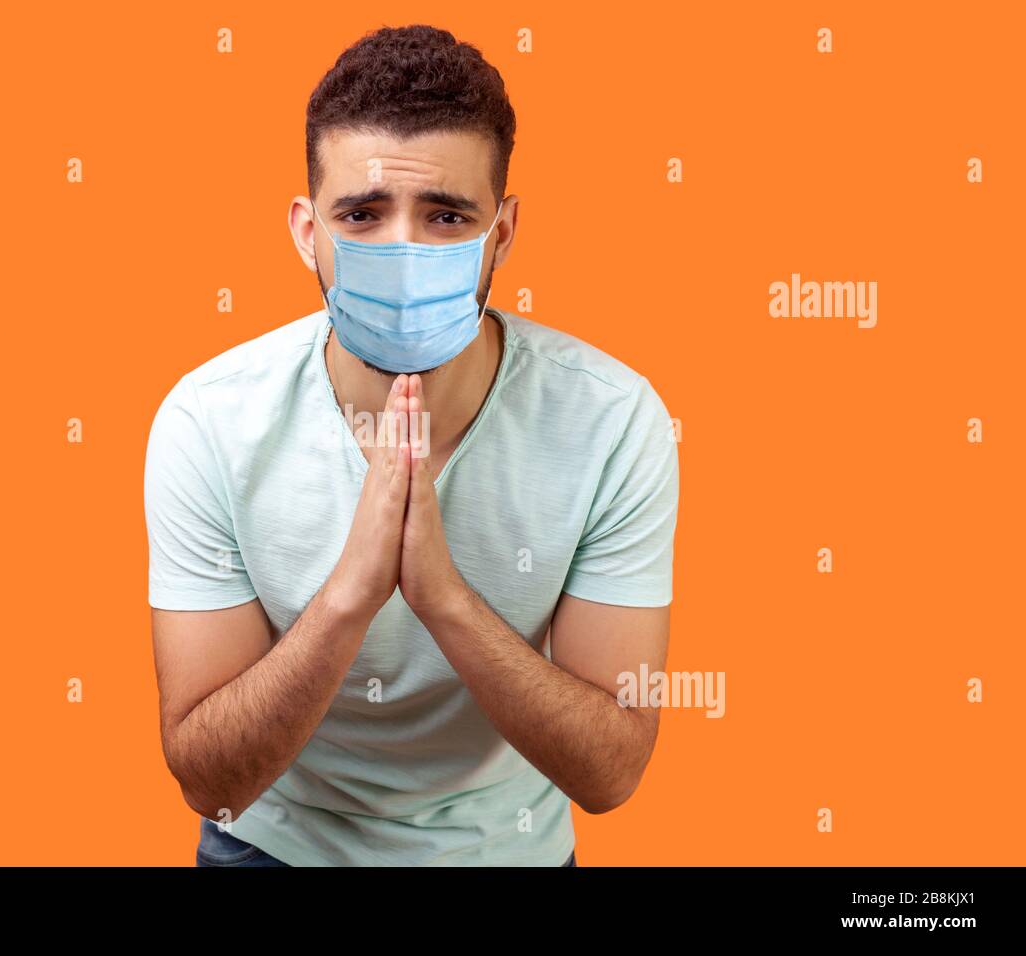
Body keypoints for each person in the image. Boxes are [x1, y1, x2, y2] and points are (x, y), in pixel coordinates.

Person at [145, 24, 678, 866]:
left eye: (446, 216)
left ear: (501, 233)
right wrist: (352, 595)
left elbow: (612, 773)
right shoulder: (207, 421)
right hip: (272, 849)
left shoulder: (613, 420)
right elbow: (209, 780)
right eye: (361, 214)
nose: (403, 251)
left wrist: (443, 598)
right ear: (305, 231)